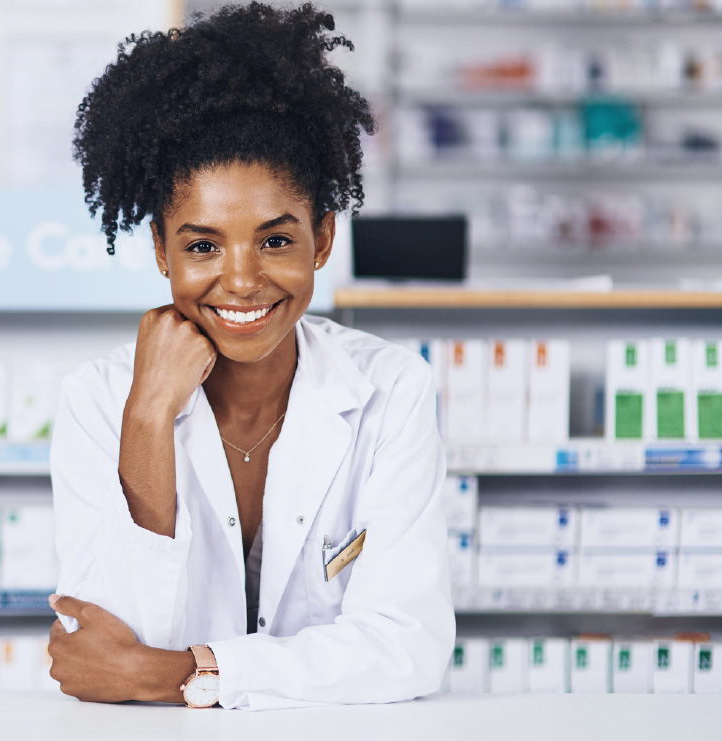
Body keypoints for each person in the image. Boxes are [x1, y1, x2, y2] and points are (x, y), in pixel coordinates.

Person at [46, 2, 455, 711]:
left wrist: (182, 675)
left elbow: (407, 647)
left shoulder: (393, 390)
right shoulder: (96, 400)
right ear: (160, 249)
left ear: (322, 239)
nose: (240, 280)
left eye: (275, 240)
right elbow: (101, 648)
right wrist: (147, 415)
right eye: (202, 245)